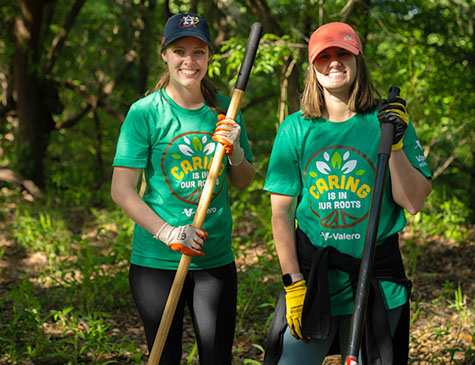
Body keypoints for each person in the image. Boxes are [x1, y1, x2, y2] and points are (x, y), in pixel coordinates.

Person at [263, 22, 432, 364]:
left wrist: (395, 144)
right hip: (314, 283)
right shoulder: (296, 128)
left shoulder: (387, 122)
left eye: (343, 53)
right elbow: (281, 213)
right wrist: (293, 282)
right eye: (324, 56)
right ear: (313, 66)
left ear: (358, 60)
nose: (334, 62)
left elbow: (413, 203)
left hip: (376, 284)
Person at [110, 12, 255, 364]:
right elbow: (121, 190)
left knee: (217, 357)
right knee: (164, 357)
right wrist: (168, 231)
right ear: (164, 54)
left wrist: (236, 152)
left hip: (214, 259)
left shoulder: (225, 111)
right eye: (179, 50)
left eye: (198, 52)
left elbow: (244, 180)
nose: (189, 61)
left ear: (208, 57)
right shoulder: (145, 112)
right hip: (156, 262)